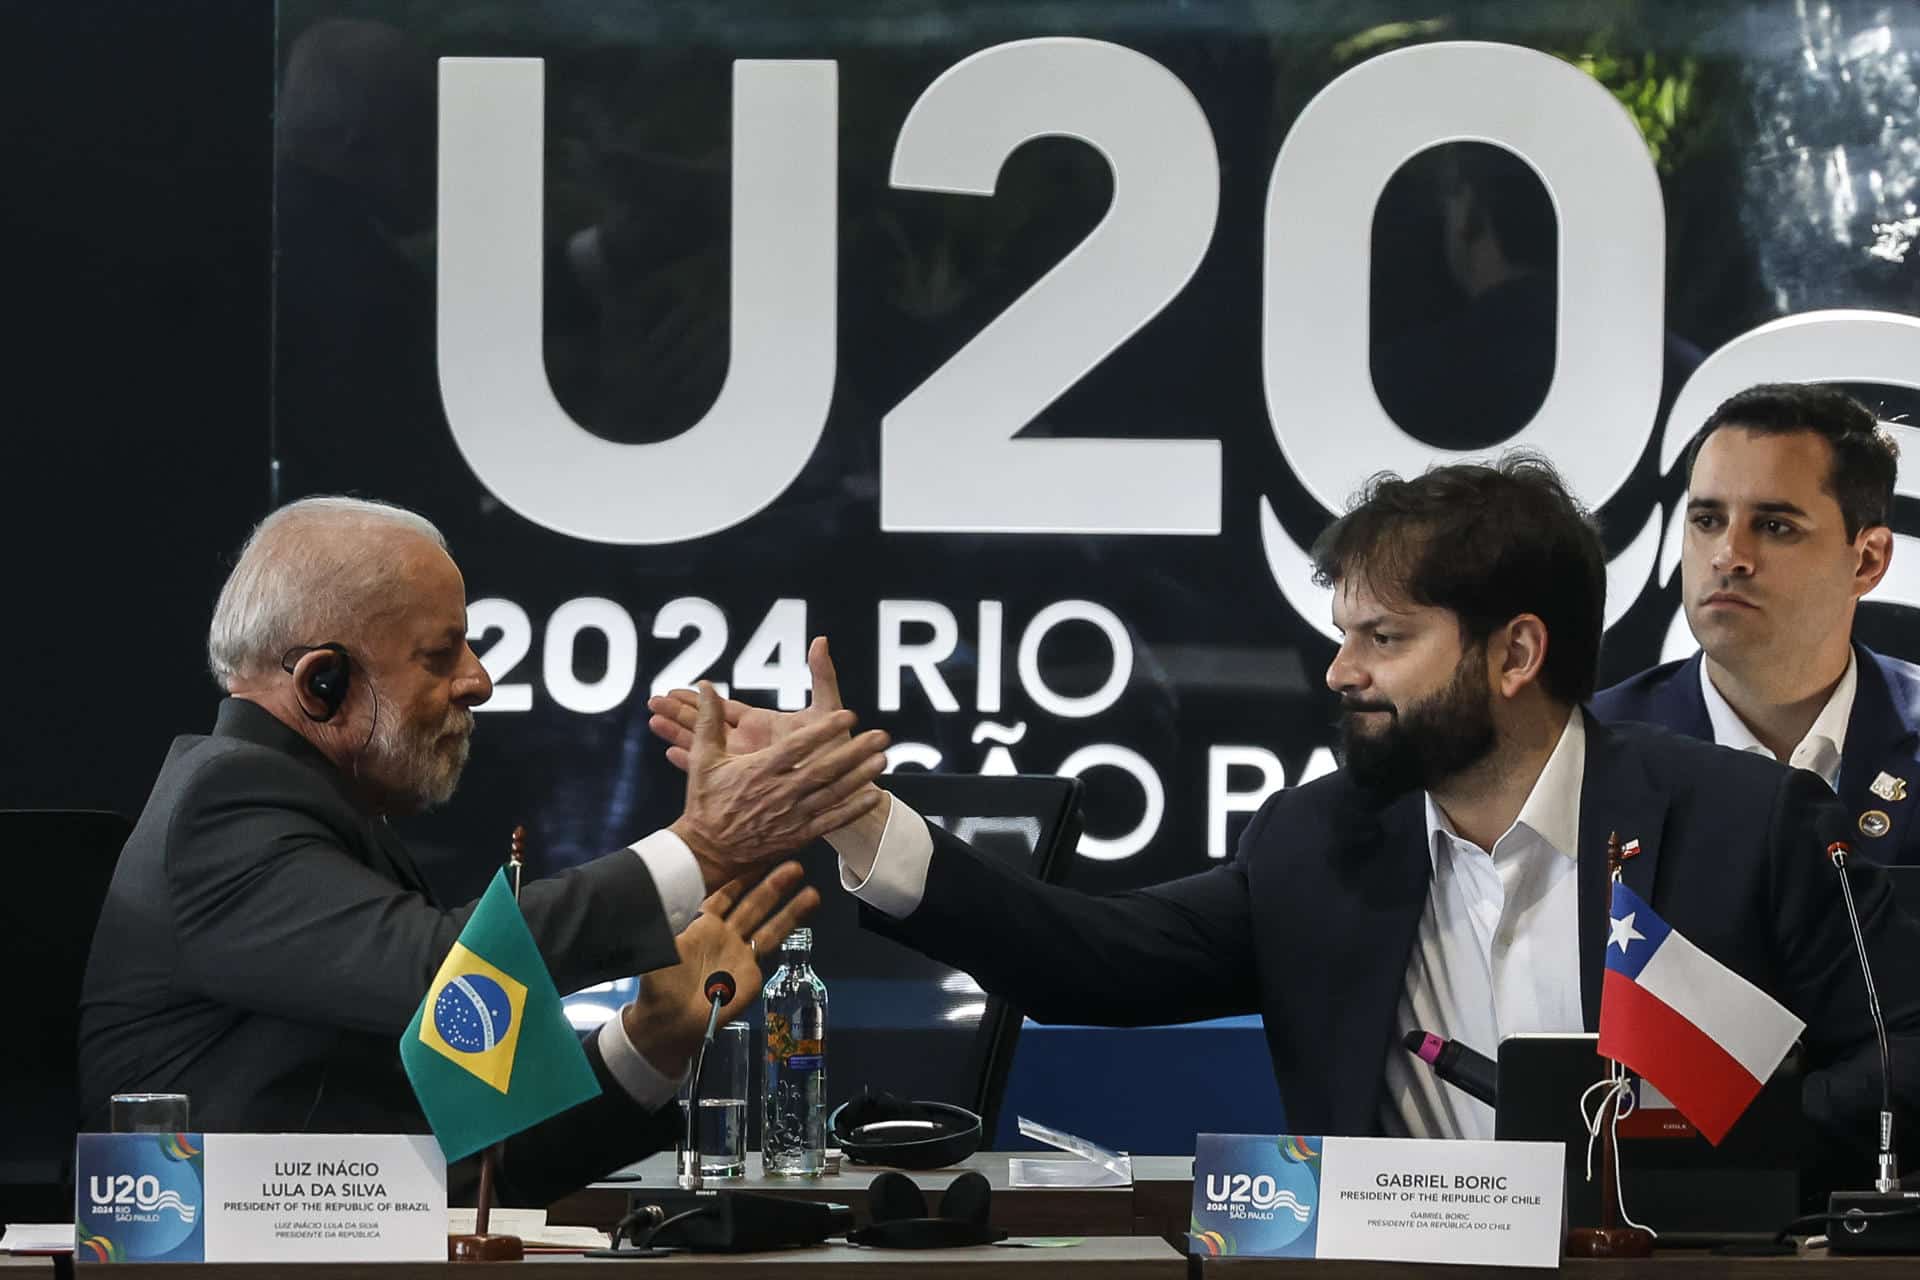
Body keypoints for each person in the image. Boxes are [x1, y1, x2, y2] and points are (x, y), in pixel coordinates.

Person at [650, 456, 1920, 1170]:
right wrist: (866, 813)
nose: (1341, 672)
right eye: (1341, 634)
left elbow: (1898, 1060)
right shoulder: (1317, 843)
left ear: (1515, 653)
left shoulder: (1744, 820)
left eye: (1384, 637)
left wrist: (1717, 1169)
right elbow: (1091, 956)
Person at [80, 496, 888, 1207]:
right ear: (322, 682)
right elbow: (434, 975)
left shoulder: (335, 823)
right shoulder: (225, 806)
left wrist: (650, 1039)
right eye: (441, 655)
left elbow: (475, 1165)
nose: (480, 679)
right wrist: (699, 847)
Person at [1594, 383, 1919, 864]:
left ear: (1868, 561)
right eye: (1706, 520)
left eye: (1774, 526)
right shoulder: (1588, 753)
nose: (1728, 557)